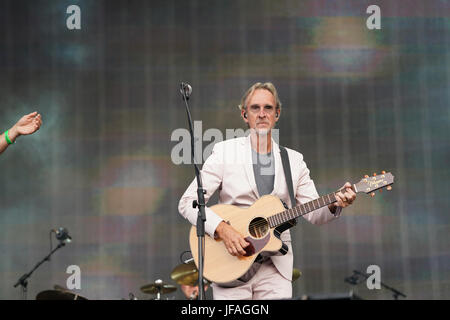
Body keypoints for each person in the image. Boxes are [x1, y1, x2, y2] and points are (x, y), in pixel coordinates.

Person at [178, 82, 356, 300]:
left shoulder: (294, 160)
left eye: (268, 108)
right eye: (255, 108)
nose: (262, 114)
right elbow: (188, 203)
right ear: (244, 115)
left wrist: (335, 203)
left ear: (277, 114)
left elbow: (315, 215)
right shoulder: (225, 152)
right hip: (230, 264)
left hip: (275, 268)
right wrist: (223, 230)